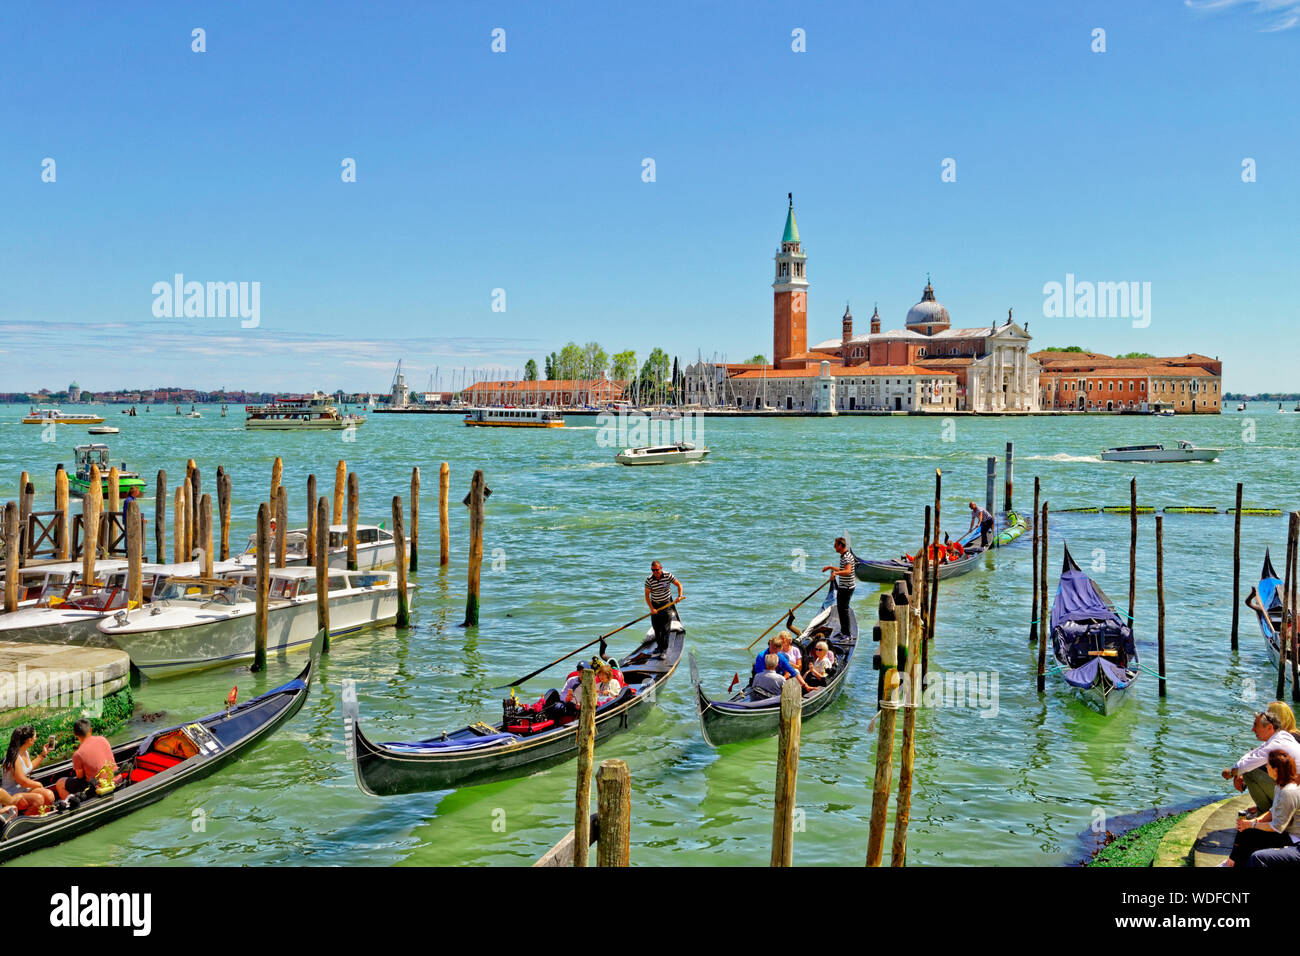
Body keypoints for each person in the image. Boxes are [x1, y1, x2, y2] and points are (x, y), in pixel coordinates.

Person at [1223, 750, 1300, 866]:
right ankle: (1232, 863)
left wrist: (1252, 824)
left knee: (1257, 856)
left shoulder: (1288, 791)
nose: (1265, 766)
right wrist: (1253, 821)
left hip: (1295, 839)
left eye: (1267, 764)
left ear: (1275, 770)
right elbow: (1272, 812)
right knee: (1246, 831)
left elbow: (1277, 827)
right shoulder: (1280, 785)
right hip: (1286, 832)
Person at [1221, 709, 1300, 815]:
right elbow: (1252, 753)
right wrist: (1235, 771)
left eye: (1256, 725)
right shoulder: (1283, 736)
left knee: (1250, 772)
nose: (1253, 729)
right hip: (1295, 792)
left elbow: (1246, 766)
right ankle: (1271, 812)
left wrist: (1231, 773)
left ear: (1269, 727)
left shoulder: (1275, 744)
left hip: (1294, 796)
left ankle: (1264, 813)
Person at [54, 718, 118, 802]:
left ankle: (70, 804)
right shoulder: (103, 739)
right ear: (90, 730)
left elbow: (80, 777)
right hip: (116, 779)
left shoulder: (78, 754)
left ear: (75, 734)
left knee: (60, 783)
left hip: (98, 787)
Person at [2, 727, 55, 812]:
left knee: (49, 795)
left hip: (24, 789)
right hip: (11, 794)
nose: (36, 738)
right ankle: (26, 819)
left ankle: (41, 816)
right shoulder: (14, 757)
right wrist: (38, 784)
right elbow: (23, 781)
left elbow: (28, 767)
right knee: (39, 799)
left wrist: (43, 755)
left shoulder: (25, 752)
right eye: (35, 736)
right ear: (29, 740)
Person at [644, 561, 683, 656]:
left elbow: (679, 585)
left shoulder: (668, 575)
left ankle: (663, 651)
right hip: (655, 605)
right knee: (656, 628)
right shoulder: (649, 580)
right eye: (653, 570)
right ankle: (659, 647)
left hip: (667, 604)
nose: (655, 572)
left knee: (665, 628)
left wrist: (679, 596)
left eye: (656, 570)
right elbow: (646, 596)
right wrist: (652, 608)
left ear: (661, 568)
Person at [821, 537, 856, 637]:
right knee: (841, 609)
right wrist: (831, 568)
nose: (834, 547)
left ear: (840, 545)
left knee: (843, 610)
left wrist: (835, 573)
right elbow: (843, 569)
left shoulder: (846, 557)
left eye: (835, 545)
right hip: (845, 587)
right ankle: (844, 631)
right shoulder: (845, 555)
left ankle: (847, 634)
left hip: (846, 587)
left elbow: (848, 571)